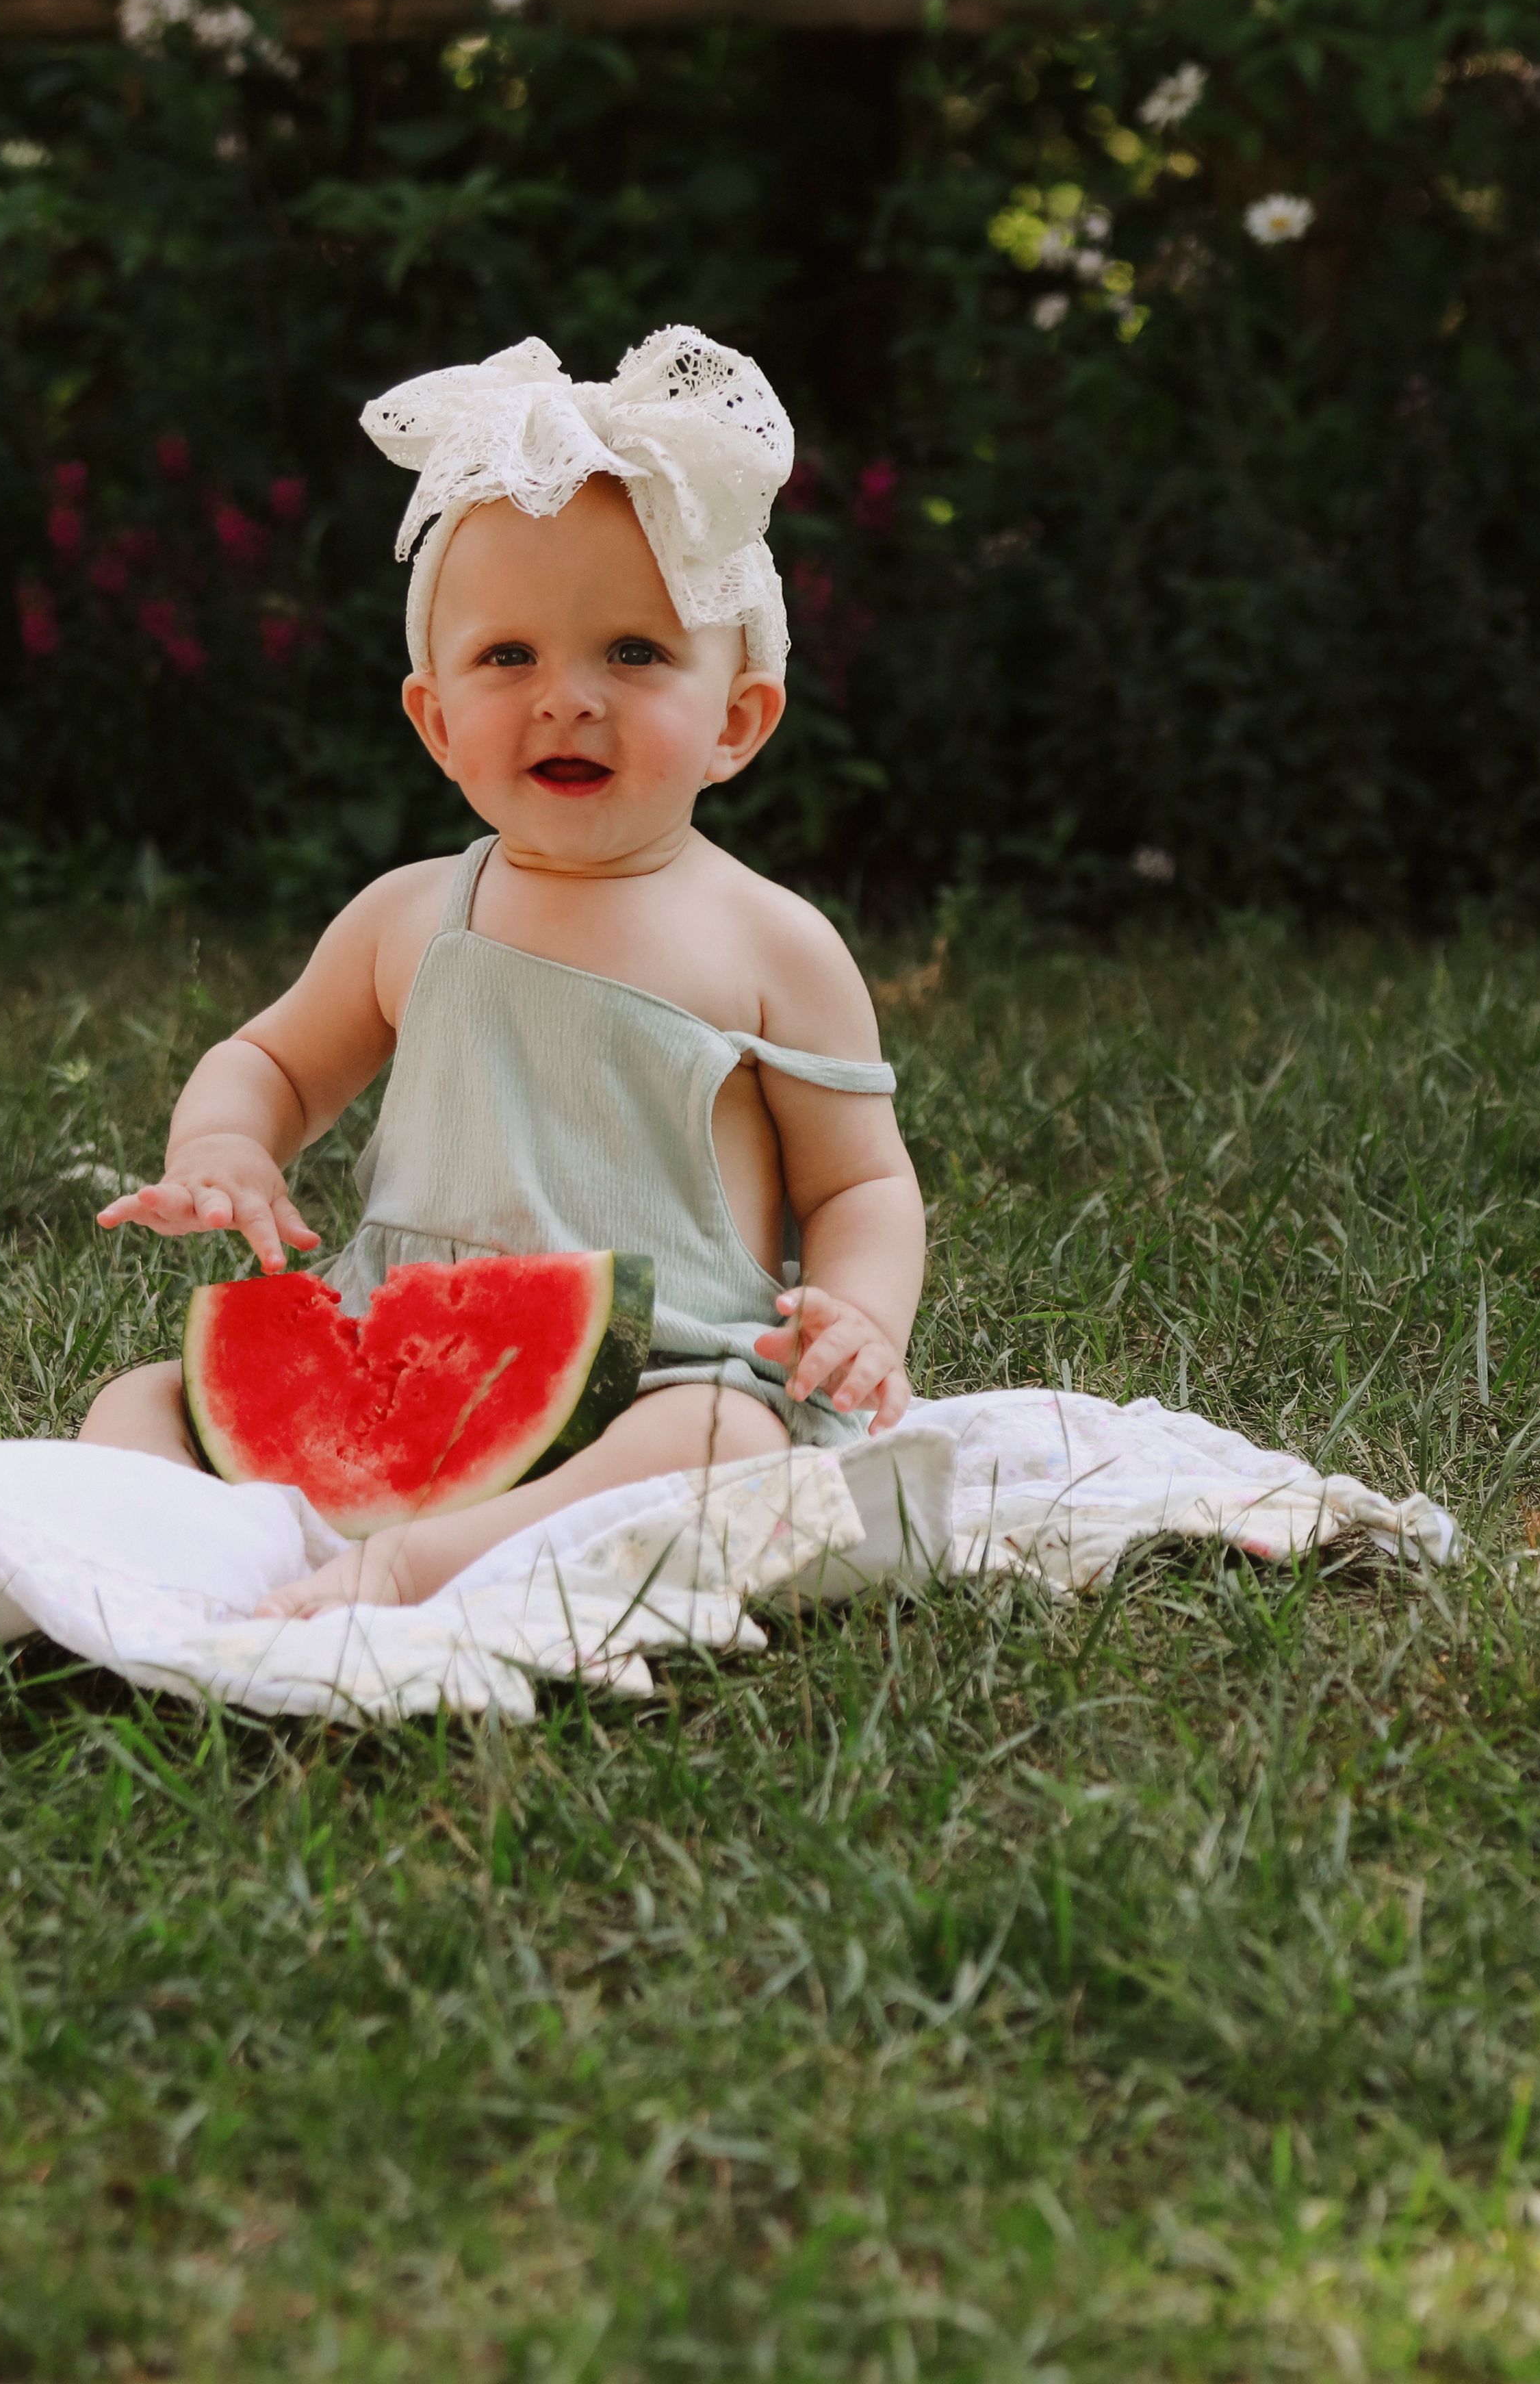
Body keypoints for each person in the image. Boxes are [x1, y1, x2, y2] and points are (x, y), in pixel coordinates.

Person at [73, 327, 922, 1620]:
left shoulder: (775, 945)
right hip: (392, 1350)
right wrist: (225, 1146)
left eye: (633, 654)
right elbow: (270, 1063)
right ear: (434, 720)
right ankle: (194, 1576)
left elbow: (860, 1176)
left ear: (737, 719)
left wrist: (861, 1317)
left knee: (730, 1451)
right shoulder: (409, 915)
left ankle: (404, 1571)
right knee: (137, 1397)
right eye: (508, 657)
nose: (565, 698)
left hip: (668, 1373)